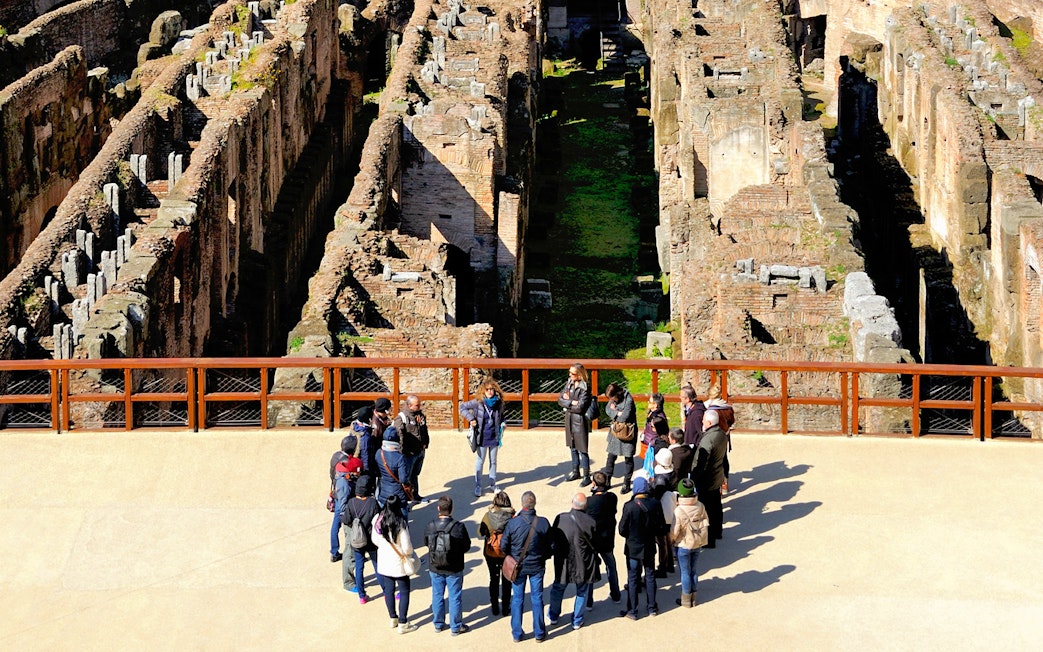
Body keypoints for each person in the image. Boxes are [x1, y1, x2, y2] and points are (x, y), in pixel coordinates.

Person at [500, 490, 553, 643]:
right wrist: (544, 556)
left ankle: (517, 633)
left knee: (517, 599)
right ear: (534, 504)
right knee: (537, 598)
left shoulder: (513, 522)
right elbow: (552, 545)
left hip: (518, 566)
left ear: (522, 504)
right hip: (537, 566)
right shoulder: (543, 522)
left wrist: (512, 556)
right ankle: (539, 632)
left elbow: (504, 546)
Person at [618, 476, 667, 620]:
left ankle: (632, 611)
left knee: (633, 579)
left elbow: (622, 530)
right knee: (650, 576)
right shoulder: (655, 504)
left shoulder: (629, 506)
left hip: (633, 548)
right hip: (649, 547)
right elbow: (662, 527)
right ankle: (652, 607)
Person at [548, 493, 598, 630]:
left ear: (572, 502)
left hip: (563, 562)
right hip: (583, 563)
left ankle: (553, 615)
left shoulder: (560, 518)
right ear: (585, 506)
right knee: (582, 591)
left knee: (558, 588)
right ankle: (577, 620)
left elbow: (553, 539)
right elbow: (595, 542)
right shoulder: (590, 522)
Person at [424, 496, 472, 635]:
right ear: (452, 509)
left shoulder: (430, 525)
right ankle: (455, 627)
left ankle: (438, 624)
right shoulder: (458, 527)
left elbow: (426, 542)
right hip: (454, 567)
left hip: (435, 566)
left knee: (437, 594)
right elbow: (466, 546)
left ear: (438, 508)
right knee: (454, 596)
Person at [372, 495, 418, 633]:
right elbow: (407, 548)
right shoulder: (401, 523)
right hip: (399, 563)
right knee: (404, 591)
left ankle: (393, 618)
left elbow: (375, 540)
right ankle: (403, 622)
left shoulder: (378, 520)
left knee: (389, 591)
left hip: (385, 561)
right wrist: (408, 554)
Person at [460, 378, 506, 497]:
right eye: (487, 389)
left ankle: (493, 484)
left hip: (494, 437)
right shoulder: (478, 402)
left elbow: (501, 417)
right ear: (483, 391)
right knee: (480, 461)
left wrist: (503, 423)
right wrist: (471, 419)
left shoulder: (498, 403)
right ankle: (478, 486)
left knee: (493, 461)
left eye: (492, 389)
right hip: (481, 437)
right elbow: (462, 407)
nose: (490, 391)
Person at [671, 478, 709, 607]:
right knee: (693, 570)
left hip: (683, 545)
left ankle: (686, 599)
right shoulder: (700, 505)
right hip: (697, 543)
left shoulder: (679, 511)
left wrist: (672, 540)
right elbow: (705, 520)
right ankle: (693, 597)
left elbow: (675, 531)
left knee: (685, 572)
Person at [692, 410, 728, 547]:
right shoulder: (722, 434)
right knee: (716, 505)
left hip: (707, 479)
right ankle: (718, 531)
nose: (702, 422)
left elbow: (702, 463)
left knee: (707, 510)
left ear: (709, 422)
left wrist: (694, 478)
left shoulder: (708, 439)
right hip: (717, 475)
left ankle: (709, 539)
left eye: (703, 421)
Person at [584, 471, 621, 605]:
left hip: (592, 542)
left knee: (590, 571)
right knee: (611, 567)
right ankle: (616, 594)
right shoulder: (612, 498)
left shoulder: (589, 502)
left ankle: (588, 601)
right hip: (607, 539)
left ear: (594, 484)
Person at [345, 474, 380, 604]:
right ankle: (386, 591)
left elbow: (346, 520)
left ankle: (362, 596)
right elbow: (379, 519)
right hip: (370, 539)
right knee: (377, 565)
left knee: (359, 567)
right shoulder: (372, 502)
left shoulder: (351, 502)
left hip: (357, 540)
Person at [479, 490, 515, 616]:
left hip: (491, 553)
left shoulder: (488, 515)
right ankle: (506, 608)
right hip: (506, 554)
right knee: (507, 580)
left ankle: (494, 607)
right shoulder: (513, 516)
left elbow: (480, 532)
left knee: (493, 579)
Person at [333, 435, 363, 590]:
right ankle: (349, 582)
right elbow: (343, 508)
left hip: (350, 515)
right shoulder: (344, 484)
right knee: (349, 550)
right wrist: (351, 521)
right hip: (349, 520)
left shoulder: (344, 471)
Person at [557, 363, 592, 486]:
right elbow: (560, 399)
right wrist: (572, 402)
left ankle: (587, 476)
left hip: (580, 421)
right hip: (570, 419)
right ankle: (575, 471)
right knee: (572, 447)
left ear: (579, 374)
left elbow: (581, 408)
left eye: (572, 373)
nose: (570, 375)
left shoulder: (585, 388)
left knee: (582, 449)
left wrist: (568, 402)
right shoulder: (569, 383)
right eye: (569, 372)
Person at [394, 395, 430, 504]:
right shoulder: (401, 418)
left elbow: (424, 430)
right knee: (406, 477)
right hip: (409, 454)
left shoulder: (420, 416)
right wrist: (404, 451)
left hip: (420, 451)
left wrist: (426, 443)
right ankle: (405, 499)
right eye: (417, 405)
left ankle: (415, 496)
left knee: (415, 474)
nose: (419, 406)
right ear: (409, 406)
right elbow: (399, 436)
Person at [603, 383, 637, 494]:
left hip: (627, 432)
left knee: (628, 458)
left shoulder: (629, 400)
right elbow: (607, 409)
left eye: (612, 398)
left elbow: (624, 417)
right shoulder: (613, 400)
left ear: (617, 394)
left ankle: (626, 483)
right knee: (611, 457)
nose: (611, 401)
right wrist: (617, 412)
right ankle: (607, 481)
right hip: (616, 431)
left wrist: (615, 411)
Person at [376, 426, 411, 516]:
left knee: (383, 516)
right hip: (398, 494)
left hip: (383, 492)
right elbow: (403, 479)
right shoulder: (400, 457)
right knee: (403, 517)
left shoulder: (379, 453)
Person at [651, 448, 675, 578]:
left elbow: (656, 496)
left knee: (662, 541)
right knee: (668, 539)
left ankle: (662, 567)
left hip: (662, 512)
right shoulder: (671, 473)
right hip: (670, 508)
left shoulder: (661, 479)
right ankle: (669, 564)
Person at [328, 435, 352, 562]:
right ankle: (352, 553)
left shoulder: (335, 456)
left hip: (336, 490)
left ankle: (334, 551)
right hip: (344, 495)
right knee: (348, 525)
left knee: (335, 525)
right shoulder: (347, 461)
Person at [705, 398, 735, 493]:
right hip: (725, 435)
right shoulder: (728, 408)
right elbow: (732, 421)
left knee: (714, 460)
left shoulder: (710, 409)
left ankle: (718, 485)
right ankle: (725, 482)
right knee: (724, 458)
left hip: (714, 435)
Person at [640, 393, 668, 461]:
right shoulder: (651, 413)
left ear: (655, 405)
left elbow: (661, 433)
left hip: (653, 445)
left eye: (649, 401)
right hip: (648, 442)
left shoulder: (659, 418)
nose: (648, 402)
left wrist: (652, 442)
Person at [354, 406, 378, 478]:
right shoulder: (365, 435)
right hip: (364, 468)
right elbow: (365, 453)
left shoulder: (354, 427)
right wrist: (367, 471)